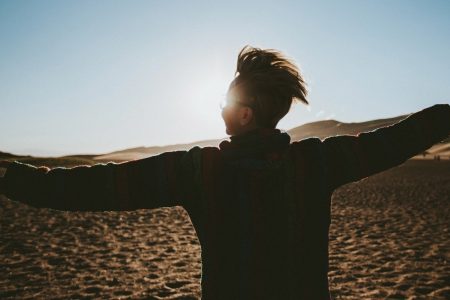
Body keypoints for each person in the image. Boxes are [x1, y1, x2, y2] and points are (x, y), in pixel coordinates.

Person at [0, 46, 449, 299]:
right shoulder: (316, 161)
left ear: (246, 115)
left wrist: (12, 179)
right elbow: (398, 139)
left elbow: (97, 187)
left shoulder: (199, 170)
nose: (220, 110)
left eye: (226, 103)